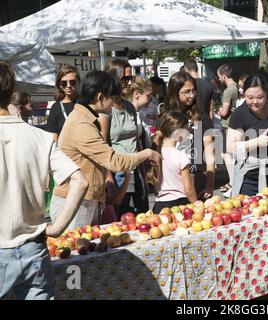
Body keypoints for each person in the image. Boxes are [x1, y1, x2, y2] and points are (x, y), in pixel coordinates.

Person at [0, 60, 88, 300]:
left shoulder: (40, 137)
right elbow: (79, 181)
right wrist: (57, 228)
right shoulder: (39, 137)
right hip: (34, 249)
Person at [50, 71, 160, 230]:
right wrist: (148, 153)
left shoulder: (86, 118)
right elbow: (114, 161)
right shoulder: (81, 124)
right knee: (77, 252)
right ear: (100, 97)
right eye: (113, 99)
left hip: (85, 200)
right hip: (74, 202)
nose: (115, 104)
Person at [227, 75, 268, 196]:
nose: (255, 102)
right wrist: (257, 141)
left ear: (266, 93)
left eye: (260, 97)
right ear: (243, 94)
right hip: (249, 179)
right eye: (250, 97)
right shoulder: (239, 114)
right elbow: (231, 147)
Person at [105, 59, 150, 216]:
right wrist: (108, 178)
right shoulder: (106, 109)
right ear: (114, 78)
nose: (130, 82)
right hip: (117, 170)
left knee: (140, 215)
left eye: (131, 78)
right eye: (125, 78)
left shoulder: (129, 107)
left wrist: (143, 172)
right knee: (122, 217)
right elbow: (103, 147)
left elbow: (135, 139)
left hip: (135, 168)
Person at [163, 71, 215, 201]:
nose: (191, 95)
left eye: (194, 91)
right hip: (171, 181)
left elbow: (210, 154)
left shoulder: (202, 119)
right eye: (187, 92)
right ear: (175, 92)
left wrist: (210, 185)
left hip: (196, 178)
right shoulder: (166, 119)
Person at [149, 111, 197, 213]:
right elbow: (188, 188)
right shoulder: (180, 156)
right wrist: (196, 205)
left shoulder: (155, 153)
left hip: (159, 205)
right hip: (179, 205)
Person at [217, 64, 238, 195]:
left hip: (227, 124)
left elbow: (224, 112)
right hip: (236, 124)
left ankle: (232, 181)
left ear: (223, 76)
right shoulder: (237, 87)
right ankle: (233, 181)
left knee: (225, 154)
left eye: (219, 76)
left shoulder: (228, 91)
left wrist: (219, 111)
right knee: (233, 153)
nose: (219, 79)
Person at [46, 65, 80, 142]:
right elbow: (53, 137)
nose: (68, 86)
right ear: (59, 85)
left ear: (78, 82)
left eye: (72, 82)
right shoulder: (56, 107)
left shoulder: (86, 103)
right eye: (64, 83)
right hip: (65, 152)